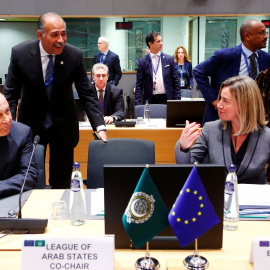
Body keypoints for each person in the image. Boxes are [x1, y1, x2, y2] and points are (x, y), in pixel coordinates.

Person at [4, 12, 107, 189]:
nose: (61, 39)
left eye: (63, 33)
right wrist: (8, 125)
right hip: (31, 127)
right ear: (40, 35)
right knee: (30, 181)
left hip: (63, 128)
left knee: (61, 184)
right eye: (54, 35)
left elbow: (86, 94)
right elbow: (11, 94)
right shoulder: (20, 53)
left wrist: (99, 125)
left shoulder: (74, 55)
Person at [175, 76, 270, 184]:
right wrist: (183, 147)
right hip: (217, 197)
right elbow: (187, 168)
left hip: (252, 199)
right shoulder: (210, 129)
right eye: (220, 98)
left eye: (225, 101)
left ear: (244, 104)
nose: (219, 105)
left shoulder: (267, 136)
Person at [194, 19, 270, 125]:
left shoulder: (267, 58)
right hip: (224, 116)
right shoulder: (224, 56)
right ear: (247, 36)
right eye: (261, 33)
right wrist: (214, 99)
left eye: (265, 33)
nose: (266, 36)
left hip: (254, 117)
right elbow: (198, 71)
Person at [0, 93, 38, 198]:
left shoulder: (22, 133)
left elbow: (29, 176)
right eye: (0, 115)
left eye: (7, 111)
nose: (7, 120)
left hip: (10, 198)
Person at [135, 31, 181, 105]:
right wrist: (137, 104)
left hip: (167, 99)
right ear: (150, 44)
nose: (161, 43)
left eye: (161, 40)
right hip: (150, 100)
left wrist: (177, 101)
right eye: (158, 41)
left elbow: (176, 82)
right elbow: (139, 85)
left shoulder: (169, 59)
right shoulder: (143, 62)